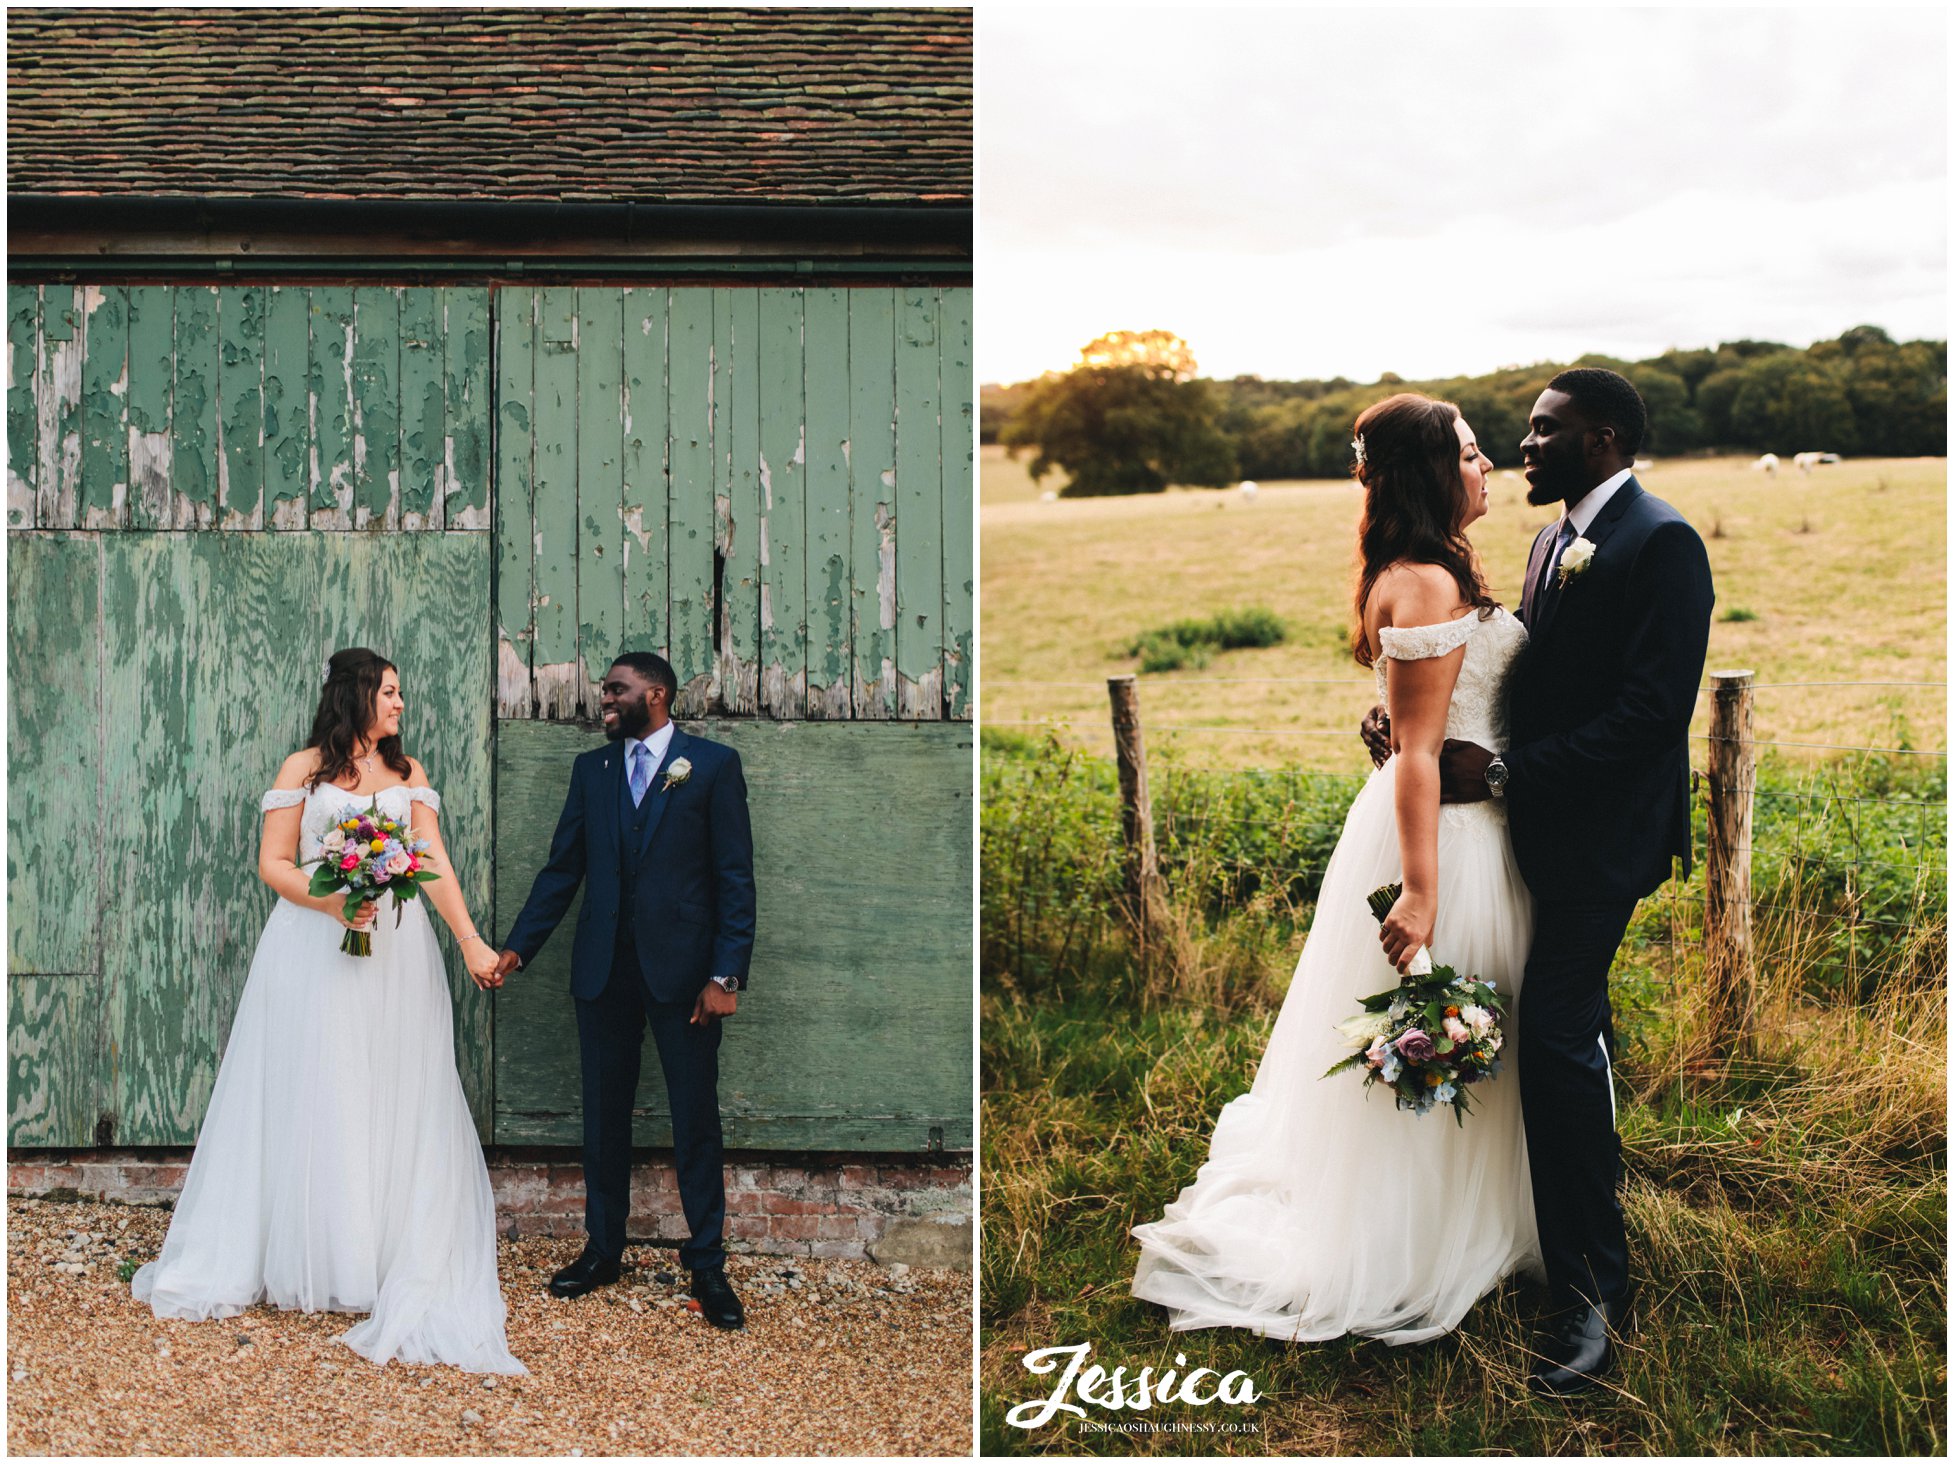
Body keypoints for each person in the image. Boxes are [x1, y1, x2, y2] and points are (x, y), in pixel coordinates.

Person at [1132, 393, 1542, 1346]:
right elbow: (1416, 757)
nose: (1487, 469)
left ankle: (1478, 1219)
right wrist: (1423, 889)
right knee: (1452, 1024)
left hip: (1465, 822)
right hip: (1446, 838)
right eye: (1473, 455)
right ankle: (1415, 1240)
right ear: (1433, 472)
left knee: (1476, 1032)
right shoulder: (1428, 583)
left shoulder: (1427, 569)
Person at [1394, 368, 1713, 1394]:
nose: (1523, 448)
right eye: (1523, 434)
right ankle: (1561, 1224)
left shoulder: (1660, 542)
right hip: (1530, 834)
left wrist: (1506, 773)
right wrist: (1424, 733)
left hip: (1605, 841)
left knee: (1555, 1035)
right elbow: (1526, 685)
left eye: (1544, 432)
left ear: (1603, 438)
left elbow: (1652, 717)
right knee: (1566, 1036)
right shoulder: (1549, 539)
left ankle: (1590, 1291)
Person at [132, 648, 523, 1375]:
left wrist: (471, 942)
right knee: (324, 1087)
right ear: (356, 696)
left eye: (401, 694)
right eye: (391, 693)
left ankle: (380, 1255)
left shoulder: (409, 777)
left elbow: (430, 862)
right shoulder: (302, 771)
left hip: (398, 956)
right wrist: (336, 898)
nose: (401, 705)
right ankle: (321, 1256)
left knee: (394, 1089)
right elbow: (274, 863)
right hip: (311, 950)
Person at [495, 651, 756, 1329]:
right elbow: (563, 870)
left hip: (687, 979)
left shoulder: (713, 766)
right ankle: (602, 1249)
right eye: (604, 691)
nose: (604, 700)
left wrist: (725, 975)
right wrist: (518, 949)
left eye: (617, 690)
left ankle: (707, 1264)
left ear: (658, 695)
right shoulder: (593, 771)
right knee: (604, 1118)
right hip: (602, 973)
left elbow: (735, 879)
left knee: (695, 1119)